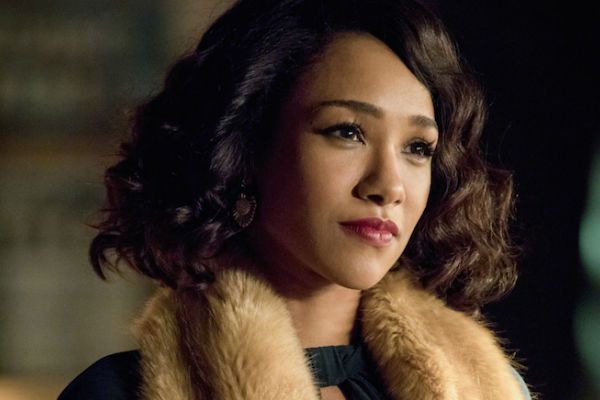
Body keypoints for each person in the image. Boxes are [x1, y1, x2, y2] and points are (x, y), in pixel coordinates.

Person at [58, 0, 532, 398]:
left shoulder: (490, 388)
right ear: (244, 150)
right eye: (347, 132)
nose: (389, 185)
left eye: (417, 148)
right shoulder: (117, 393)